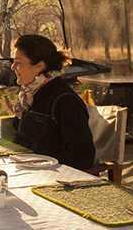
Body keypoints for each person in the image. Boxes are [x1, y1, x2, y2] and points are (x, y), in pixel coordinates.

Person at [9, 35, 95, 170]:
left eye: (18, 62)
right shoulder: (30, 95)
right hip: (32, 170)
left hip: (60, 177)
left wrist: (41, 161)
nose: (13, 67)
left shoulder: (64, 100)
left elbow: (82, 157)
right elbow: (21, 136)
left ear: (39, 66)